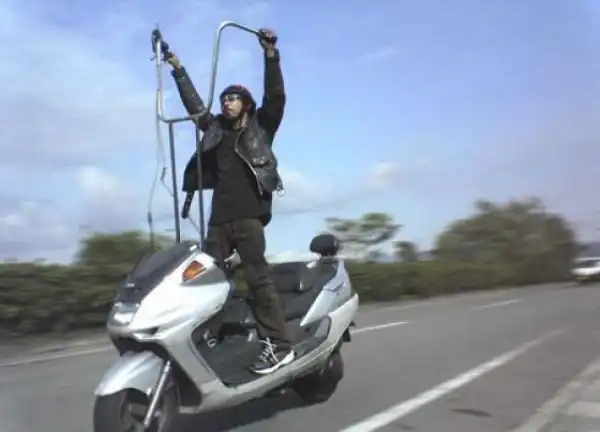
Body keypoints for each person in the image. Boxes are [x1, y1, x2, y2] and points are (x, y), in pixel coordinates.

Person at [165, 28, 294, 375]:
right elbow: (195, 107)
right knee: (209, 282)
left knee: (258, 279)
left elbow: (276, 96)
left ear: (246, 105)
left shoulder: (261, 127)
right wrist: (177, 69)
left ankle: (280, 346)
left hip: (249, 216)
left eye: (234, 98)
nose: (227, 102)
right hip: (218, 220)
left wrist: (270, 54)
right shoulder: (216, 130)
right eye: (224, 98)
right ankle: (213, 340)